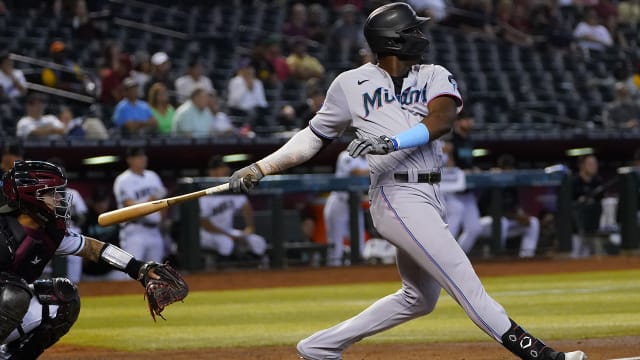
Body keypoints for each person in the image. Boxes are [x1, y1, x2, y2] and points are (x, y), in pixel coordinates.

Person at [227, 3, 586, 360]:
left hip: (429, 191)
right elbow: (312, 137)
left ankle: (319, 347)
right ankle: (544, 356)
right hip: (395, 193)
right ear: (393, 39)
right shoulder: (349, 84)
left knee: (419, 299)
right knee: (467, 286)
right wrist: (260, 168)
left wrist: (392, 141)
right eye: (413, 31)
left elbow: (442, 119)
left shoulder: (433, 74)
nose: (421, 36)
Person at [0, 160, 168, 358]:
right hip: (7, 300)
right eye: (51, 193)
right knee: (14, 294)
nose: (59, 199)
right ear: (30, 196)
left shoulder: (49, 232)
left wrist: (137, 268)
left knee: (63, 297)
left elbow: (93, 249)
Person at [199, 155, 267, 264]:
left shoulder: (230, 189)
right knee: (226, 243)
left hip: (227, 231)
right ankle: (220, 272)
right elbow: (205, 224)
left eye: (224, 167)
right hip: (206, 234)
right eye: (220, 168)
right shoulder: (203, 191)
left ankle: (253, 271)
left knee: (257, 241)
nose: (225, 170)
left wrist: (249, 227)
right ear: (212, 172)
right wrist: (229, 236)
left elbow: (246, 207)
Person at [112, 147, 167, 278]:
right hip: (135, 231)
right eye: (138, 156)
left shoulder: (152, 176)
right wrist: (149, 201)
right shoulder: (123, 180)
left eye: (143, 156)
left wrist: (162, 220)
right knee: (131, 273)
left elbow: (165, 202)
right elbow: (129, 206)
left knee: (157, 272)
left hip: (154, 231)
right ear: (130, 160)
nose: (143, 159)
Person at [475, 154, 541, 258]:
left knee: (533, 222)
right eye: (506, 168)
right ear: (500, 168)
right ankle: (497, 255)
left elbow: (515, 207)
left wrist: (522, 216)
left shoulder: (511, 186)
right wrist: (515, 216)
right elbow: (490, 212)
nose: (509, 171)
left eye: (510, 168)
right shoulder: (490, 182)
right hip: (483, 224)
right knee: (502, 222)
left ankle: (527, 257)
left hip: (505, 224)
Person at [443, 110, 483, 256]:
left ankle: (458, 258)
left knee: (474, 228)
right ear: (457, 122)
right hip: (451, 189)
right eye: (466, 120)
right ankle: (444, 255)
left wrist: (474, 170)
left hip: (467, 190)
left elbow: (469, 163)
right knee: (453, 221)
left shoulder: (469, 140)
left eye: (470, 119)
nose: (470, 123)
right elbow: (446, 165)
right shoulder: (450, 139)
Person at [323, 150, 368, 266]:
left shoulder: (369, 158)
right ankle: (333, 272)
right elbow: (355, 172)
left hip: (355, 203)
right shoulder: (347, 155)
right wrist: (378, 170)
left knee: (359, 240)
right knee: (336, 243)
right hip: (339, 201)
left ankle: (359, 273)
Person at [571, 154, 604, 258]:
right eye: (590, 164)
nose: (594, 166)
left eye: (595, 163)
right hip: (575, 231)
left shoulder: (598, 181)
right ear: (581, 165)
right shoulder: (573, 182)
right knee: (575, 259)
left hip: (594, 228)